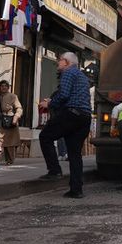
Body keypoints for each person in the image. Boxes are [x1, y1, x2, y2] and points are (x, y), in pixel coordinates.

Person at [38, 52, 92, 198]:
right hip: (84, 118)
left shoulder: (68, 73)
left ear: (67, 62)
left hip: (71, 114)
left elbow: (64, 95)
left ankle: (54, 170)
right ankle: (76, 190)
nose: (57, 63)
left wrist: (49, 103)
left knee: (45, 136)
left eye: (60, 60)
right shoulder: (82, 77)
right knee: (75, 154)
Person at [0, 80, 23, 165]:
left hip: (10, 120)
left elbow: (19, 108)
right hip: (0, 120)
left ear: (8, 87)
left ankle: (10, 160)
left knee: (10, 142)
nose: (3, 87)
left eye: (5, 86)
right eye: (2, 86)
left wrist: (16, 117)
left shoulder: (13, 96)